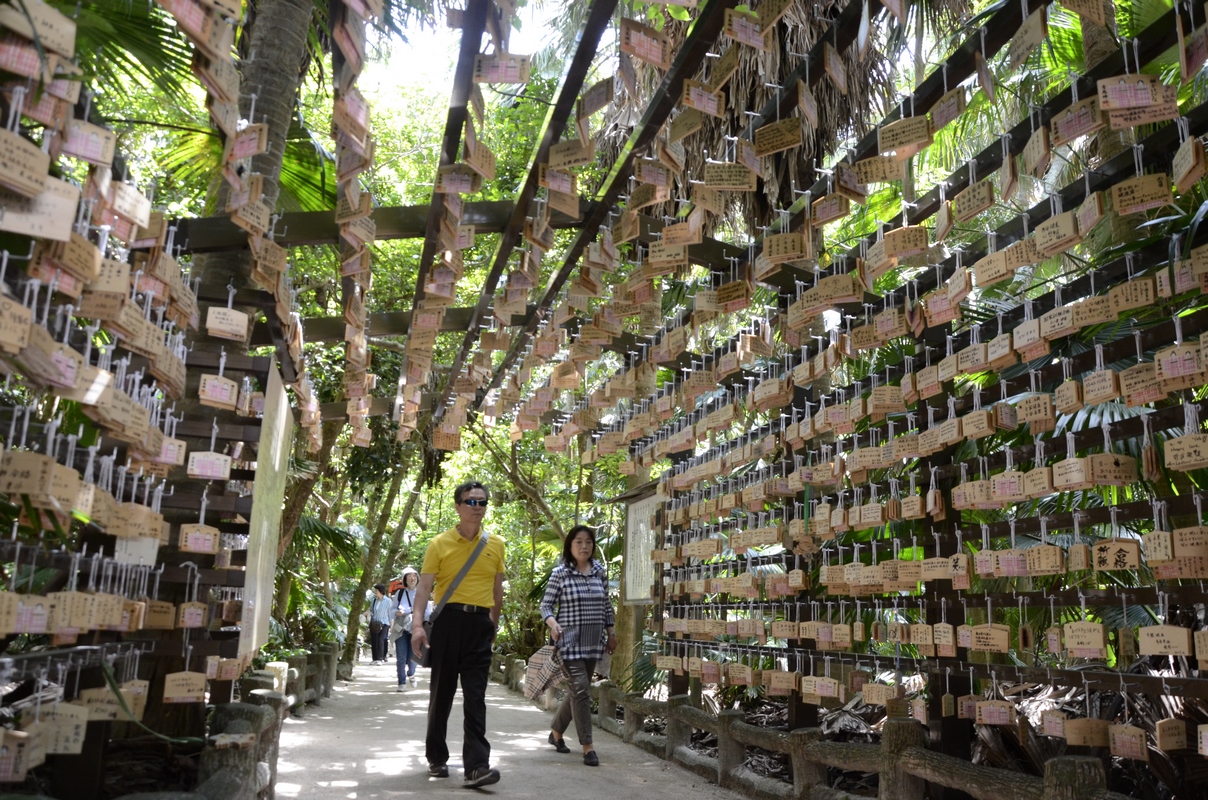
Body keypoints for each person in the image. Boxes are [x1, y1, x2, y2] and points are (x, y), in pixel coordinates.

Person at [409, 481, 506, 788]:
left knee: (476, 698)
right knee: (442, 694)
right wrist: (417, 626)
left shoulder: (497, 544)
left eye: (482, 502)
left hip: (480, 626)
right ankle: (437, 757)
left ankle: (477, 767)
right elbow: (424, 589)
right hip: (448, 623)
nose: (477, 507)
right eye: (471, 501)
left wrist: (493, 625)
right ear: (458, 506)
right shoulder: (439, 543)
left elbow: (496, 590)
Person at [539, 524, 617, 767]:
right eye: (579, 542)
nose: (584, 546)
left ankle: (556, 733)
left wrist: (611, 632)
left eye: (588, 542)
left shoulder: (599, 572)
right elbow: (546, 606)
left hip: (593, 643)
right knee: (582, 689)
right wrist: (553, 624)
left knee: (576, 691)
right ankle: (588, 747)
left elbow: (605, 605)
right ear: (570, 546)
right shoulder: (560, 573)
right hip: (569, 643)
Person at [392, 567, 420, 691]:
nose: (412, 578)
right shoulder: (400, 593)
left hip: (415, 627)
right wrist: (396, 612)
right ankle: (401, 682)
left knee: (412, 656)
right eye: (409, 576)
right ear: (405, 579)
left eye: (414, 575)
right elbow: (392, 609)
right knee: (401, 657)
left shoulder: (421, 592)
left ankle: (411, 673)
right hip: (401, 627)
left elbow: (427, 611)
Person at [368, 583, 394, 665]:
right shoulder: (374, 600)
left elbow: (391, 614)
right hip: (374, 623)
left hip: (384, 624)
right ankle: (374, 658)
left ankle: (380, 658)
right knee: (374, 641)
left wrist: (391, 626)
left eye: (377, 590)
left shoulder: (388, 601)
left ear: (381, 591)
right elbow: (371, 611)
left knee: (381, 640)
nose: (376, 592)